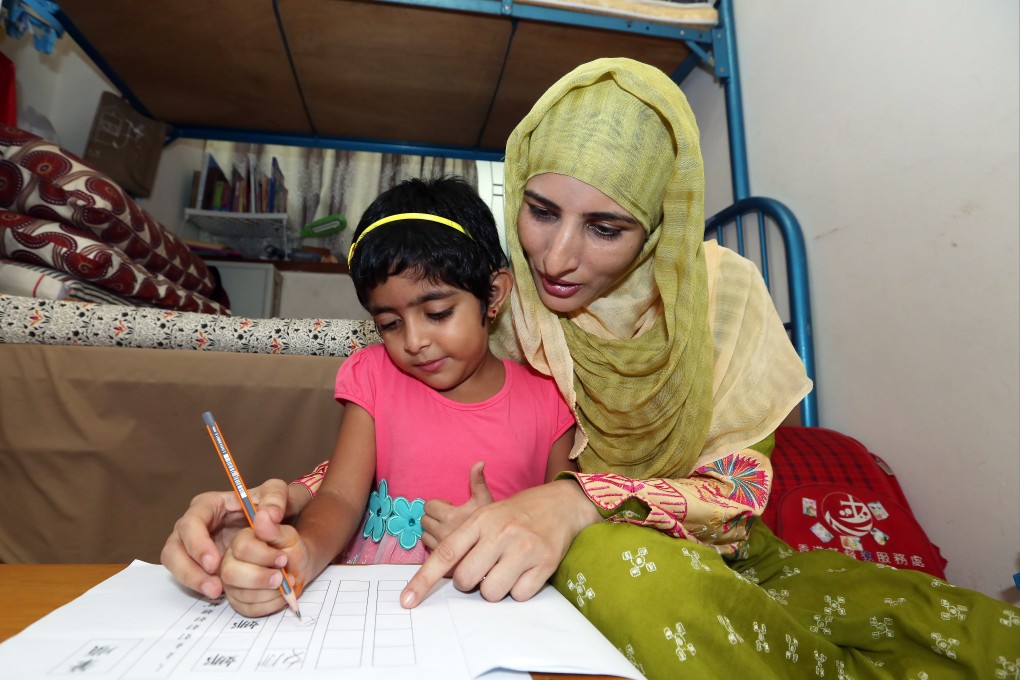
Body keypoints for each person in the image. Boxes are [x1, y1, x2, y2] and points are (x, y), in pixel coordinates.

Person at [163, 60, 1019, 678]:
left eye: (606, 229)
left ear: (661, 228)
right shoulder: (507, 303)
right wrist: (290, 505)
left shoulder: (720, 302)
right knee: (612, 571)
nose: (559, 259)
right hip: (567, 559)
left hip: (702, 540)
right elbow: (417, 428)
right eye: (539, 211)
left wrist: (576, 500)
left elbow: (737, 489)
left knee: (931, 624)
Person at [213, 177, 576, 616]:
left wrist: (501, 523)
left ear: (493, 295)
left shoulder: (549, 398)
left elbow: (564, 517)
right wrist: (304, 552)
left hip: (496, 605)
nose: (414, 340)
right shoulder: (373, 377)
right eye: (389, 323)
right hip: (373, 602)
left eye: (438, 313)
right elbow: (341, 497)